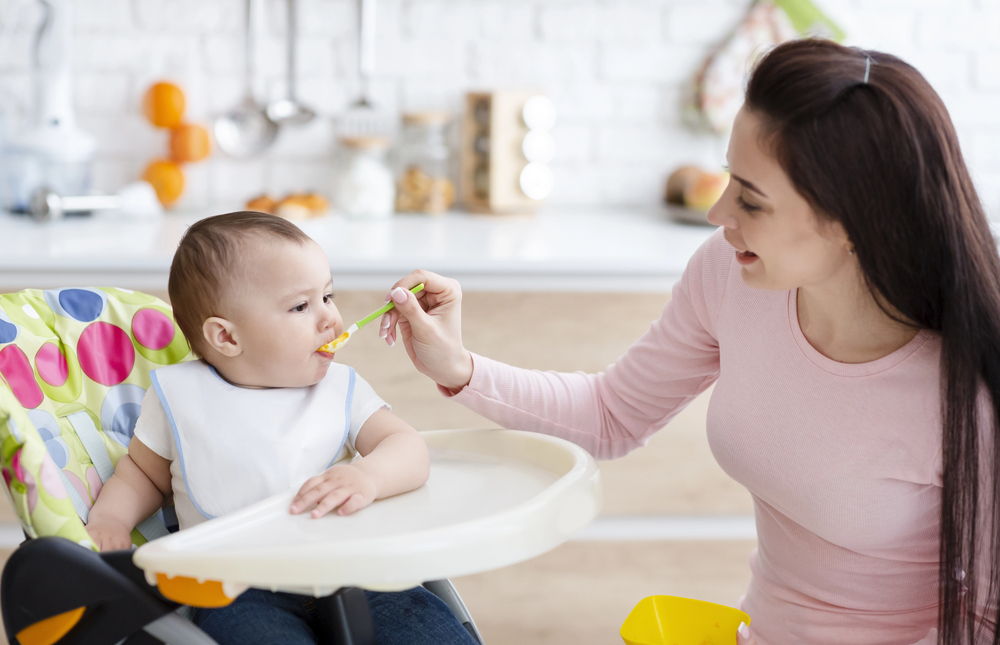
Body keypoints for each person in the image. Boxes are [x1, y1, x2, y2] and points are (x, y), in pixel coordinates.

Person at [379, 39, 1000, 645]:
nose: (718, 213)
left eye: (751, 202)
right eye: (730, 176)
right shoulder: (733, 274)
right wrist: (459, 366)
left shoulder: (969, 382)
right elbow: (611, 414)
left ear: (850, 224)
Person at [85, 212, 477, 645]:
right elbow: (142, 474)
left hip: (356, 571)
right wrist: (111, 519)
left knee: (429, 632)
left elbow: (406, 446)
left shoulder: (340, 388)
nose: (330, 318)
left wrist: (368, 475)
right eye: (300, 306)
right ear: (227, 338)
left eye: (328, 295)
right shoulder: (179, 396)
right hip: (237, 587)